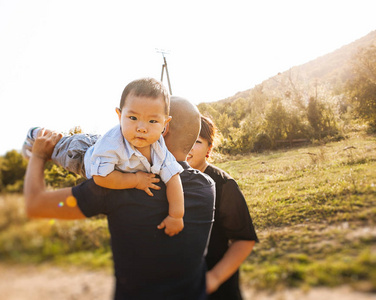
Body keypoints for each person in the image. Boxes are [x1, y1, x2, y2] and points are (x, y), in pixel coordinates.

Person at [24, 96, 216, 300]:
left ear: (163, 129)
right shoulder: (207, 187)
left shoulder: (118, 185)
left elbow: (35, 205)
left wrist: (37, 156)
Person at [24, 78, 185, 236]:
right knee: (57, 147)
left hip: (101, 147)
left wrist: (176, 215)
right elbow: (101, 178)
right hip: (81, 155)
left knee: (73, 145)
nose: (142, 128)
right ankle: (34, 134)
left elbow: (173, 178)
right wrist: (136, 180)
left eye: (152, 121)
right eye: (133, 118)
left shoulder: (158, 146)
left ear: (165, 124)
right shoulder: (112, 144)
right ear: (119, 115)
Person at [187, 115, 258, 300]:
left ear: (209, 149)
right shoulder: (168, 179)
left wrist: (214, 278)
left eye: (196, 141)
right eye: (184, 138)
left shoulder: (224, 184)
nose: (188, 146)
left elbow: (244, 240)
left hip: (215, 288)